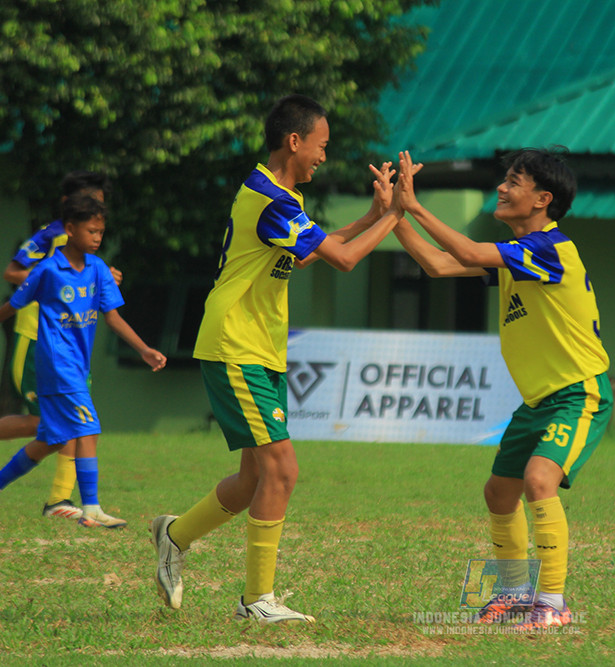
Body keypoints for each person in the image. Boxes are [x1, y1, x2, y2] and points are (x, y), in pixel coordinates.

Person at [151, 94, 404, 624]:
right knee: (283, 471)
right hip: (235, 345)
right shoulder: (272, 199)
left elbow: (310, 255)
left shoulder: (279, 195)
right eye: (321, 145)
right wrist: (399, 214)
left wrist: (372, 215)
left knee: (253, 479)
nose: (324, 156)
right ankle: (256, 601)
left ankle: (174, 535)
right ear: (295, 141)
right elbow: (344, 261)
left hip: (261, 350)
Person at [390, 148, 613, 631]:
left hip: (578, 393)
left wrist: (415, 206)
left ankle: (551, 604)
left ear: (543, 199)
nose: (501, 188)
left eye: (514, 181)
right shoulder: (520, 255)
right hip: (538, 401)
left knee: (538, 481)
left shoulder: (549, 248)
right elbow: (439, 265)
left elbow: (470, 253)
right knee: (498, 492)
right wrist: (394, 214)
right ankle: (513, 593)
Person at [0, 194, 166, 528]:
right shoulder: (47, 270)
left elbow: (112, 317)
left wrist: (143, 349)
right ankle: (91, 509)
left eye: (101, 232)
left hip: (78, 365)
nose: (97, 237)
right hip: (55, 364)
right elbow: (11, 307)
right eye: (91, 231)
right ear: (70, 229)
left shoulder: (98, 268)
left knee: (52, 439)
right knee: (88, 427)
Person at [1, 171, 124, 521]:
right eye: (90, 202)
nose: (97, 210)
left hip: (71, 346)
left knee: (62, 427)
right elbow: (13, 273)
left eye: (100, 204)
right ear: (69, 206)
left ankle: (60, 500)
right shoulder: (51, 235)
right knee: (49, 424)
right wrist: (52, 280)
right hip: (38, 339)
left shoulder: (89, 247)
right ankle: (71, 502)